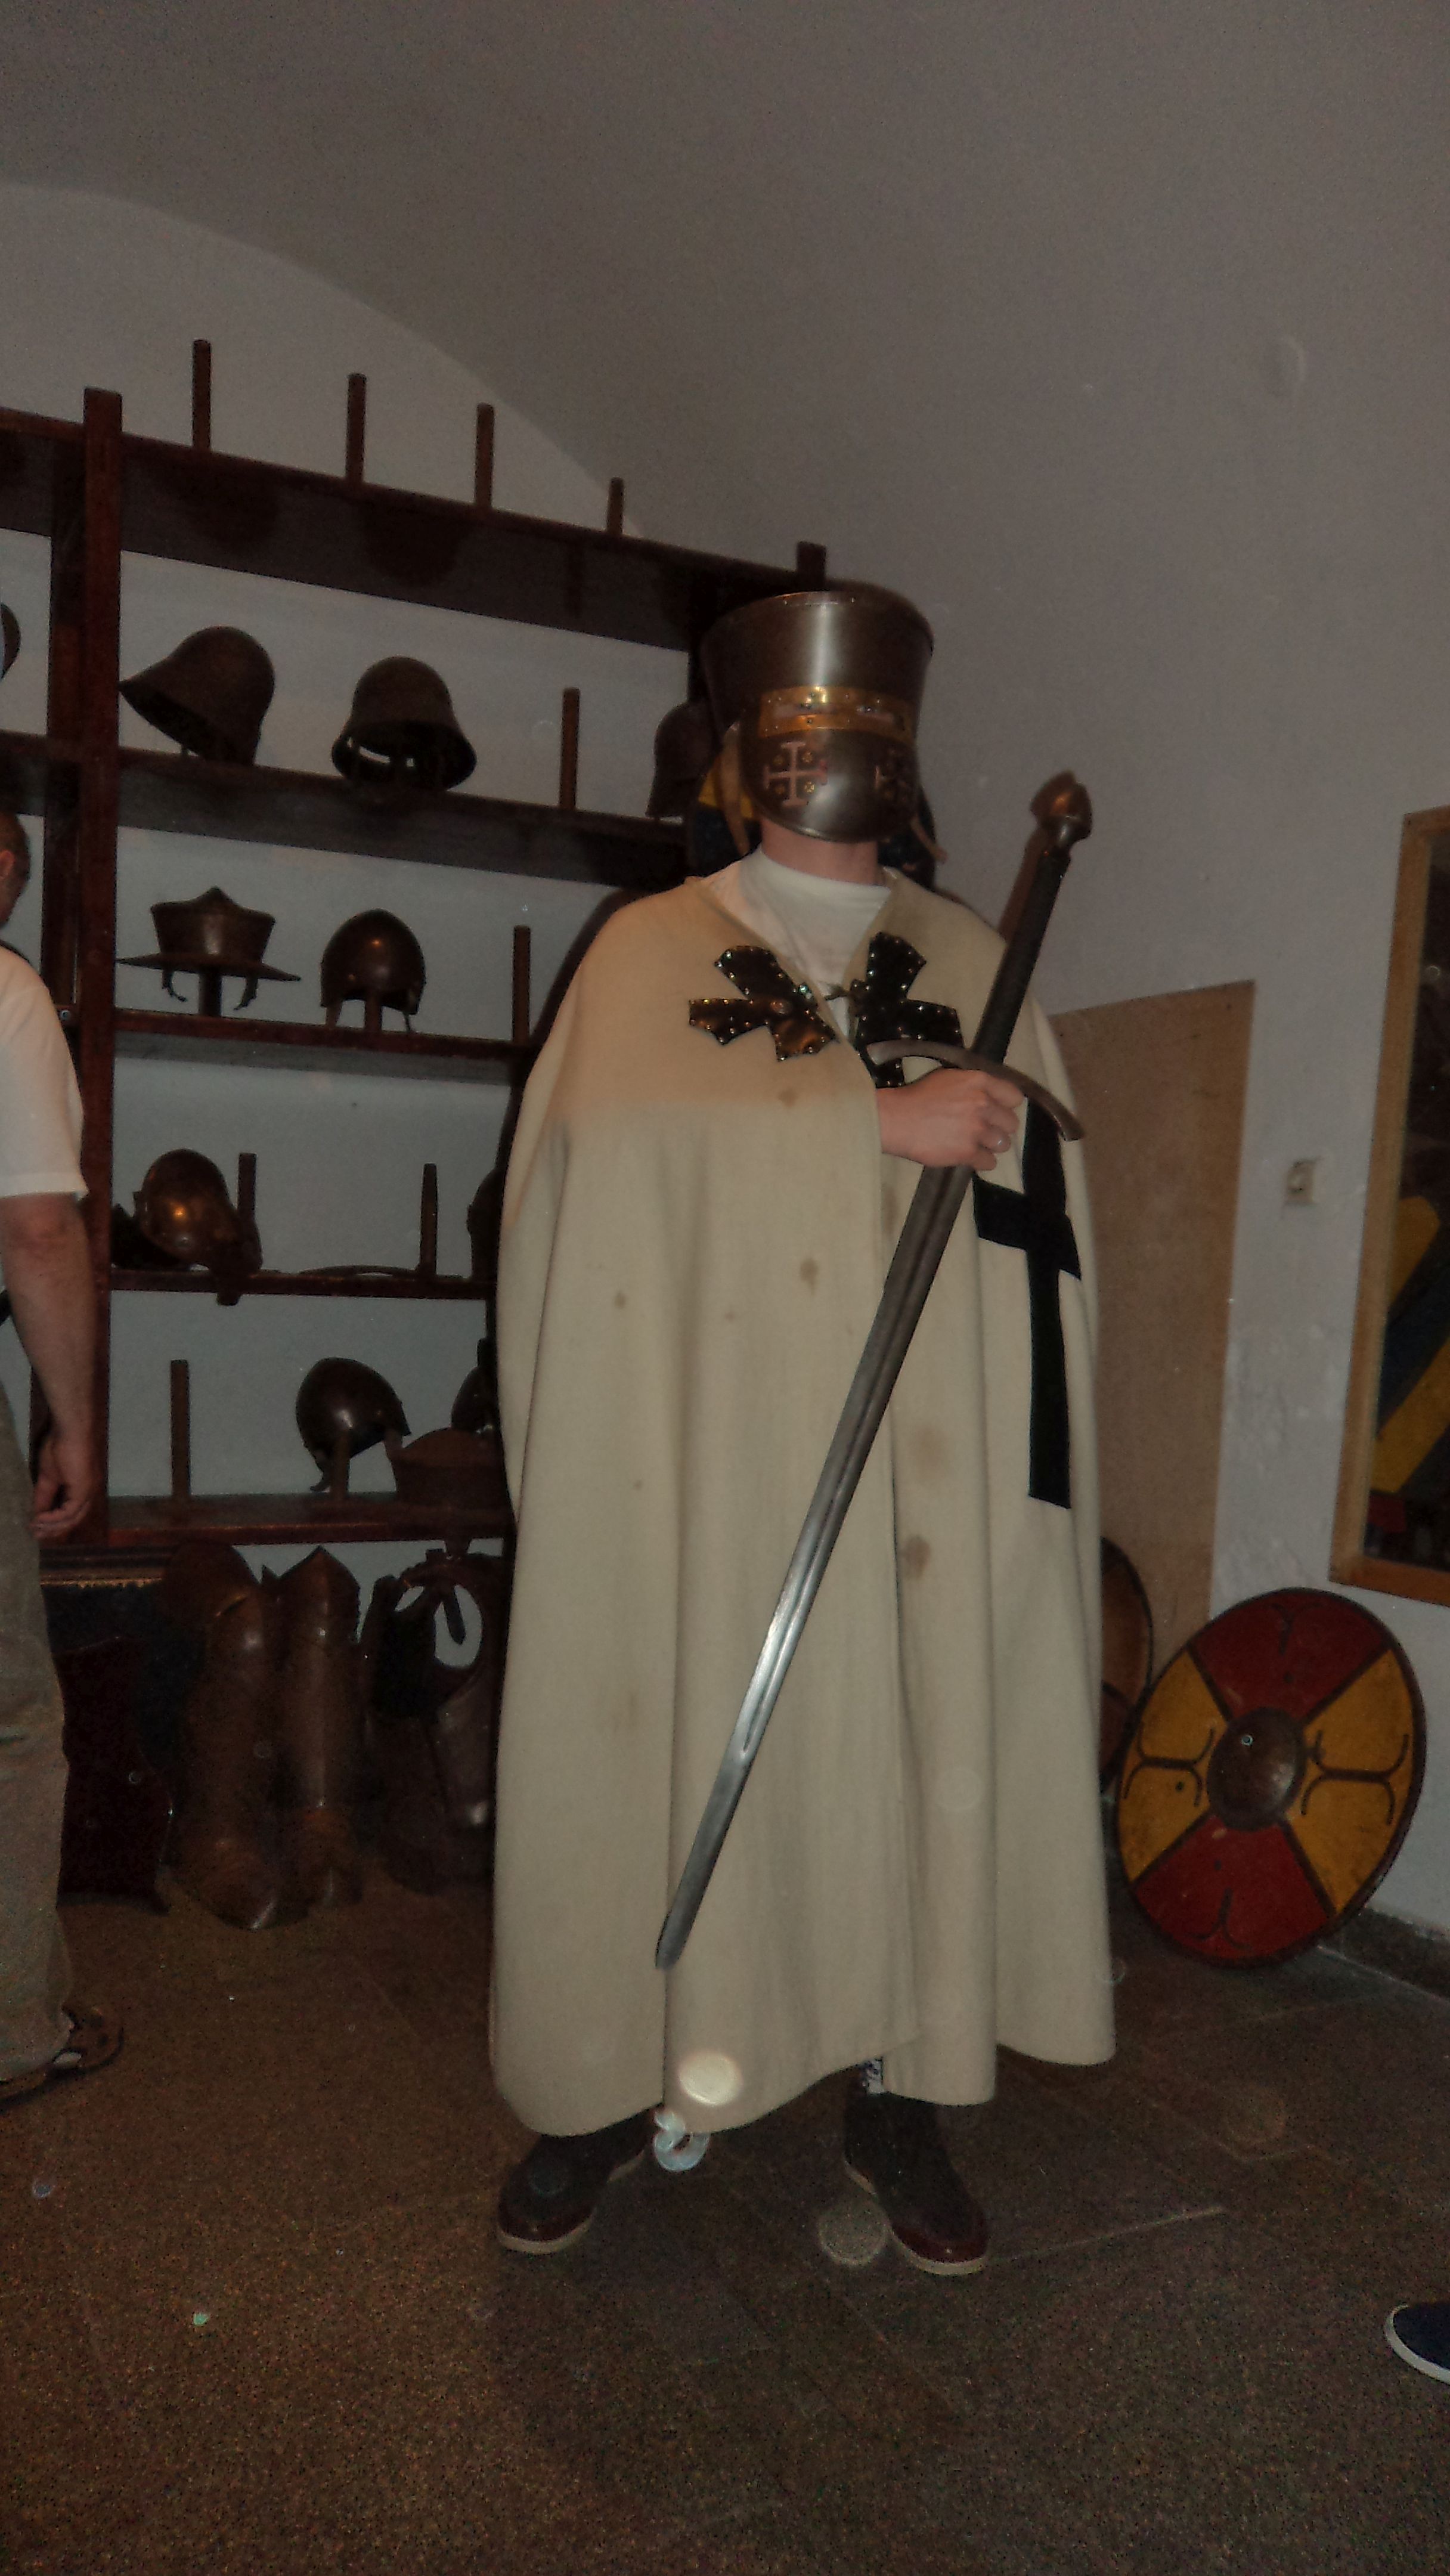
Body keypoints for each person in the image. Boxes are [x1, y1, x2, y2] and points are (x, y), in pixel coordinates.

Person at [490, 587, 1111, 2269]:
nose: (830, 761)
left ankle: (904, 2087)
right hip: (697, 1458)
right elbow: (601, 1166)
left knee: (917, 1753)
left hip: (917, 1468)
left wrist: (1002, 1128)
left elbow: (1041, 1252)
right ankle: (605, 2080)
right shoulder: (652, 951)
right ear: (740, 753)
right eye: (801, 734)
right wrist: (867, 1126)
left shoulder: (971, 960)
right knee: (648, 1740)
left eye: (861, 734)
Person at [0, 810, 120, 2109]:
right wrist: (75, 1425)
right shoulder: (8, 993)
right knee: (9, 1720)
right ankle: (15, 2029)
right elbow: (35, 1229)